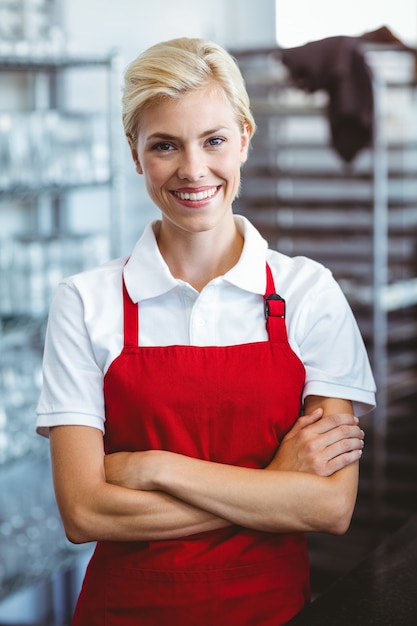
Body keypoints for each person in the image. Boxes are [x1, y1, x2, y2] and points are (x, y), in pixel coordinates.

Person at [36, 37, 376, 625]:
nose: (193, 170)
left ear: (245, 136)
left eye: (214, 140)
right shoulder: (84, 302)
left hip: (271, 613)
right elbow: (85, 514)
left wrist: (155, 469)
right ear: (136, 153)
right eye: (165, 145)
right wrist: (274, 488)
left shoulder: (308, 294)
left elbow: (328, 505)